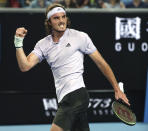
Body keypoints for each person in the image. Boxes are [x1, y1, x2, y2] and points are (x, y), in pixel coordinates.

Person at [14, 3, 130, 131]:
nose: (61, 21)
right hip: (64, 98)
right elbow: (25, 66)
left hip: (77, 95)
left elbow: (101, 63)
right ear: (49, 22)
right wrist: (18, 42)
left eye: (63, 17)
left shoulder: (80, 37)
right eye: (56, 18)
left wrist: (116, 88)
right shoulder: (43, 44)